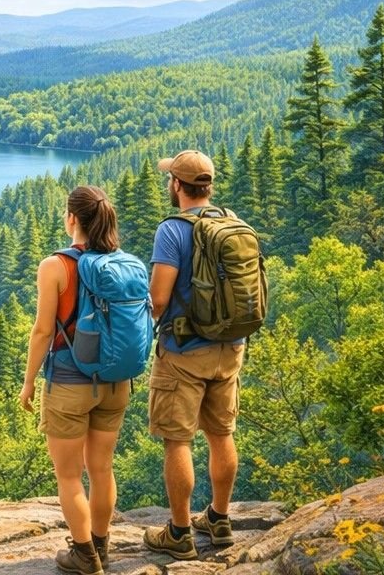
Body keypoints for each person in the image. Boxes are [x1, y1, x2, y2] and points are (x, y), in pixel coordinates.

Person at [142, 150, 244, 561]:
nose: (169, 183)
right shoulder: (232, 221)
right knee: (221, 433)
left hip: (184, 352)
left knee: (177, 439)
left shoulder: (172, 230)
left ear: (178, 185)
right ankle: (219, 518)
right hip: (230, 348)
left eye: (170, 178)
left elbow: (158, 299)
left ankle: (180, 532)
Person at [20, 185, 128, 575]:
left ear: (72, 219)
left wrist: (29, 382)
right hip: (115, 382)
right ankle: (101, 546)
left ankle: (84, 556)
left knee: (69, 475)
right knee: (102, 469)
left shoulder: (55, 266)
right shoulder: (119, 262)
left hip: (69, 383)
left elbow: (42, 332)